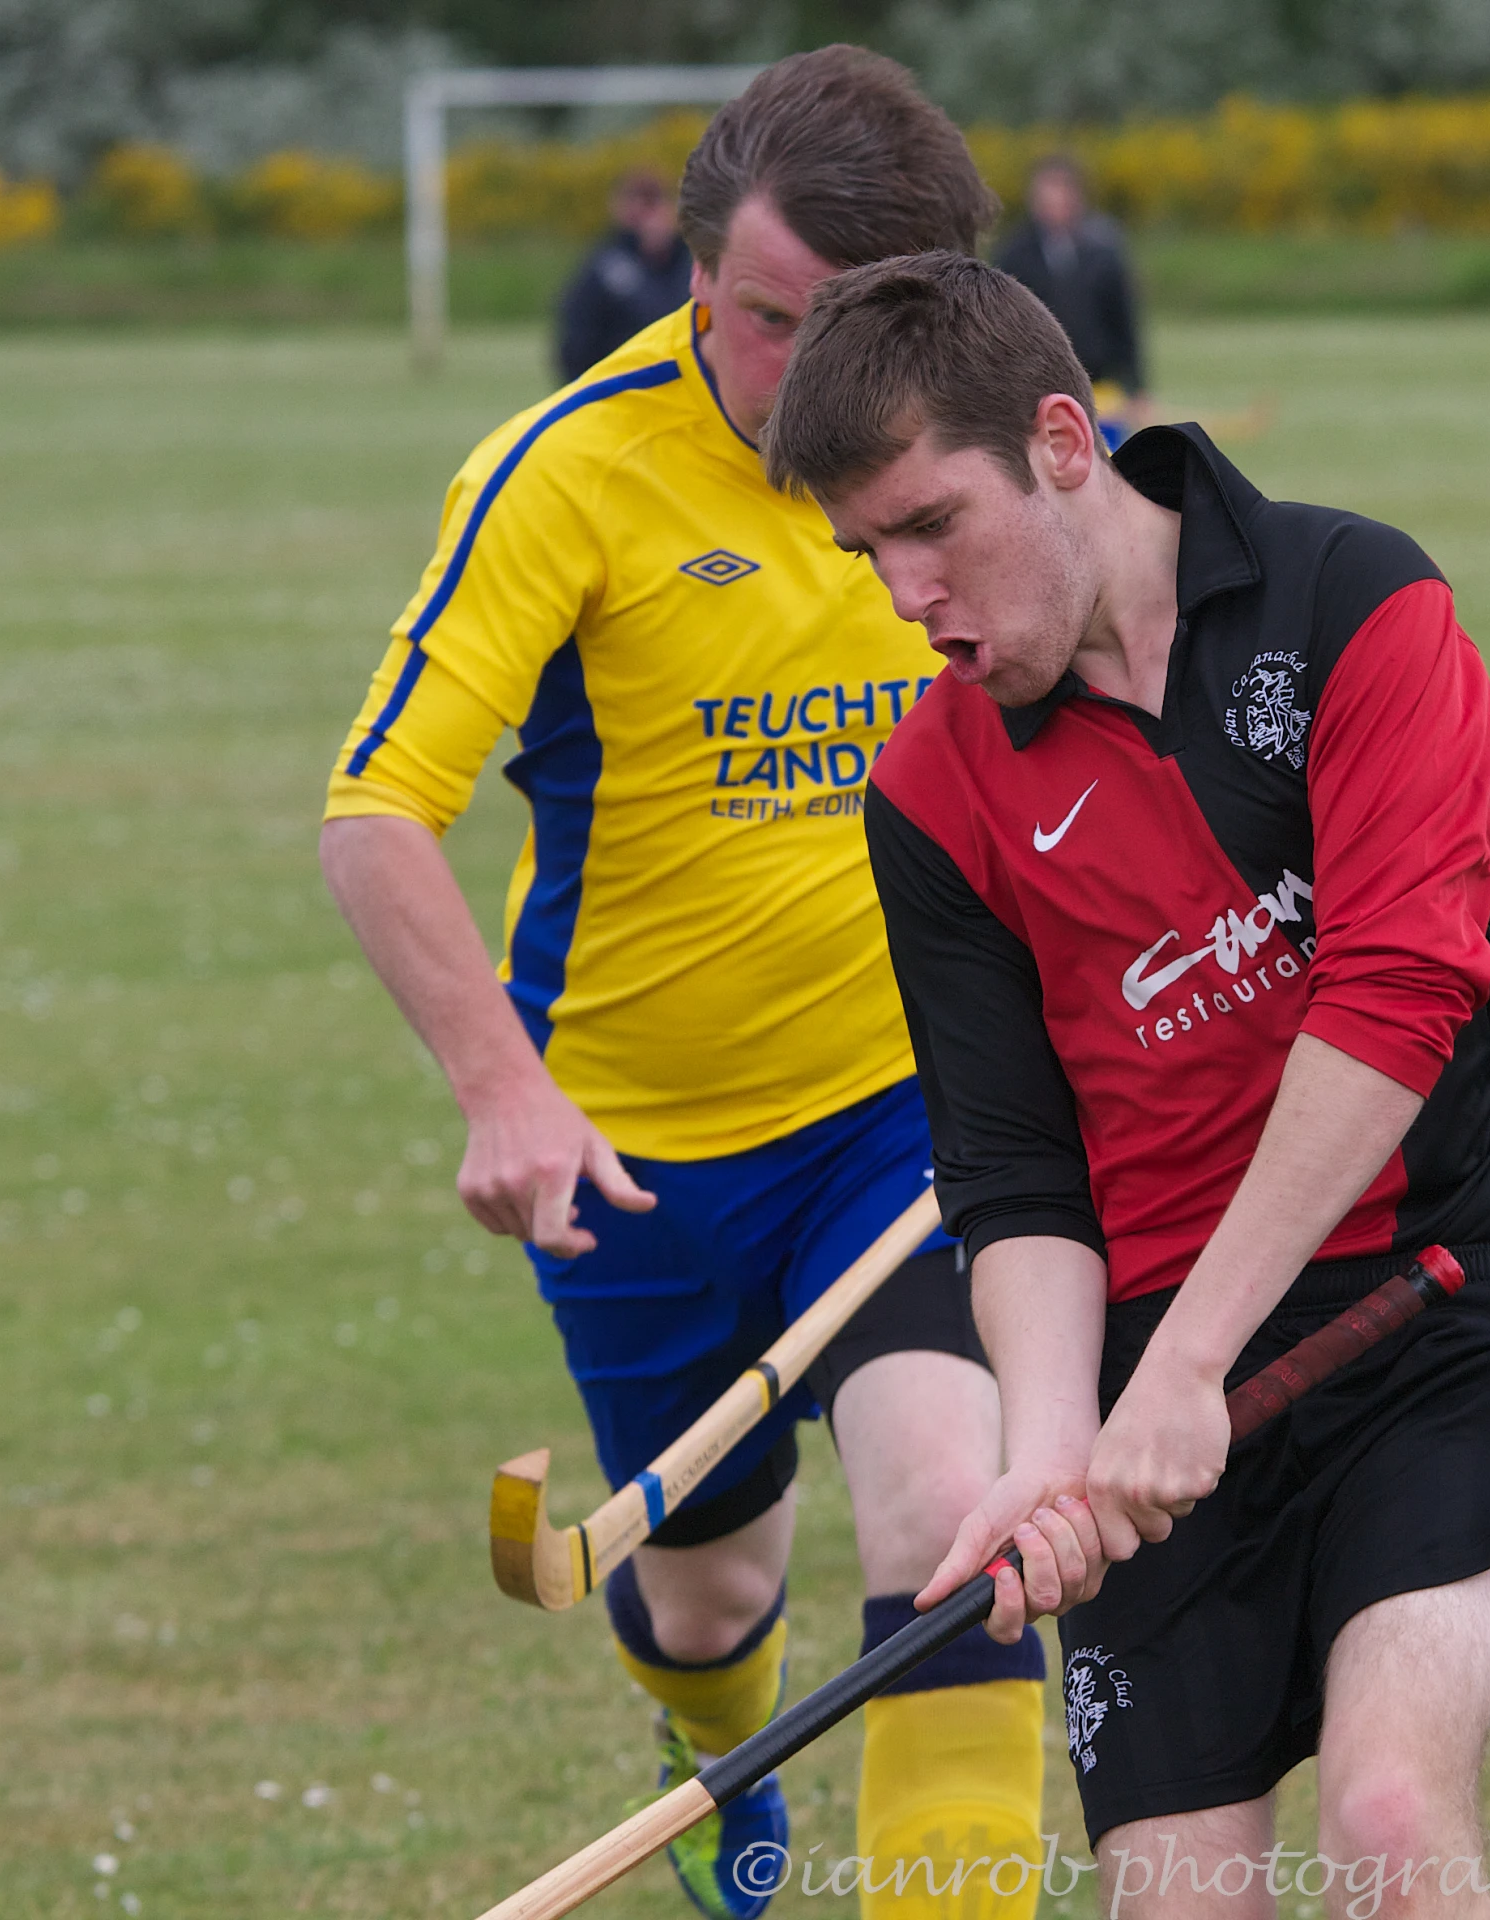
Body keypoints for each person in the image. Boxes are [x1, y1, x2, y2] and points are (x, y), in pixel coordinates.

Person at [764, 251, 1490, 1917]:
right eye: (867, 552)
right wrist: (1047, 1444)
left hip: (1420, 1319)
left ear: (1066, 442)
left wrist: (1196, 1365)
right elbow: (1013, 1170)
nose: (905, 596)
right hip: (1149, 1386)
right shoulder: (933, 788)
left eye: (931, 525)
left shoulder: (1354, 603)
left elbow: (1397, 993)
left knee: (1386, 1812)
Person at [321, 59, 1048, 1920]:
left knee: (953, 1516)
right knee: (712, 1586)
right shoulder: (569, 474)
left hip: (910, 1114)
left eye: (843, 337)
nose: (789, 377)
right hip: (632, 1154)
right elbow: (378, 813)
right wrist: (504, 1089)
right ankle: (697, 1725)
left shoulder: (983, 452)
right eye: (757, 322)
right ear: (695, 273)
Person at [994, 156, 1146, 448]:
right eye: (1046, 192)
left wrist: (1136, 386)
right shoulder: (1014, 255)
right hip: (1038, 390)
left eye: (1062, 190)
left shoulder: (1104, 250)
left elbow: (1123, 322)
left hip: (1101, 389)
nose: (1054, 201)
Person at [554, 168, 693, 384]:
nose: (649, 218)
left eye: (653, 204)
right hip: (618, 387)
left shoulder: (691, 261)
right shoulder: (603, 266)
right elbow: (576, 344)